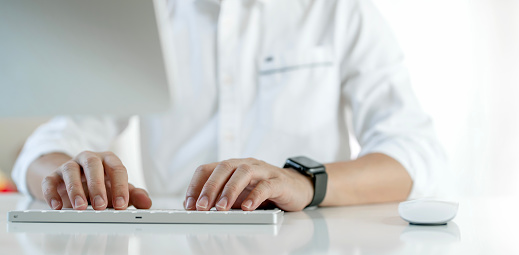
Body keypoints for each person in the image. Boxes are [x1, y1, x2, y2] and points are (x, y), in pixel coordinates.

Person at [12, 0, 446, 212]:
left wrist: (305, 181)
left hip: (307, 250)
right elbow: (46, 148)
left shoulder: (337, 10)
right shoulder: (148, 15)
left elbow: (415, 152)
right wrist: (67, 177)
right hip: (177, 251)